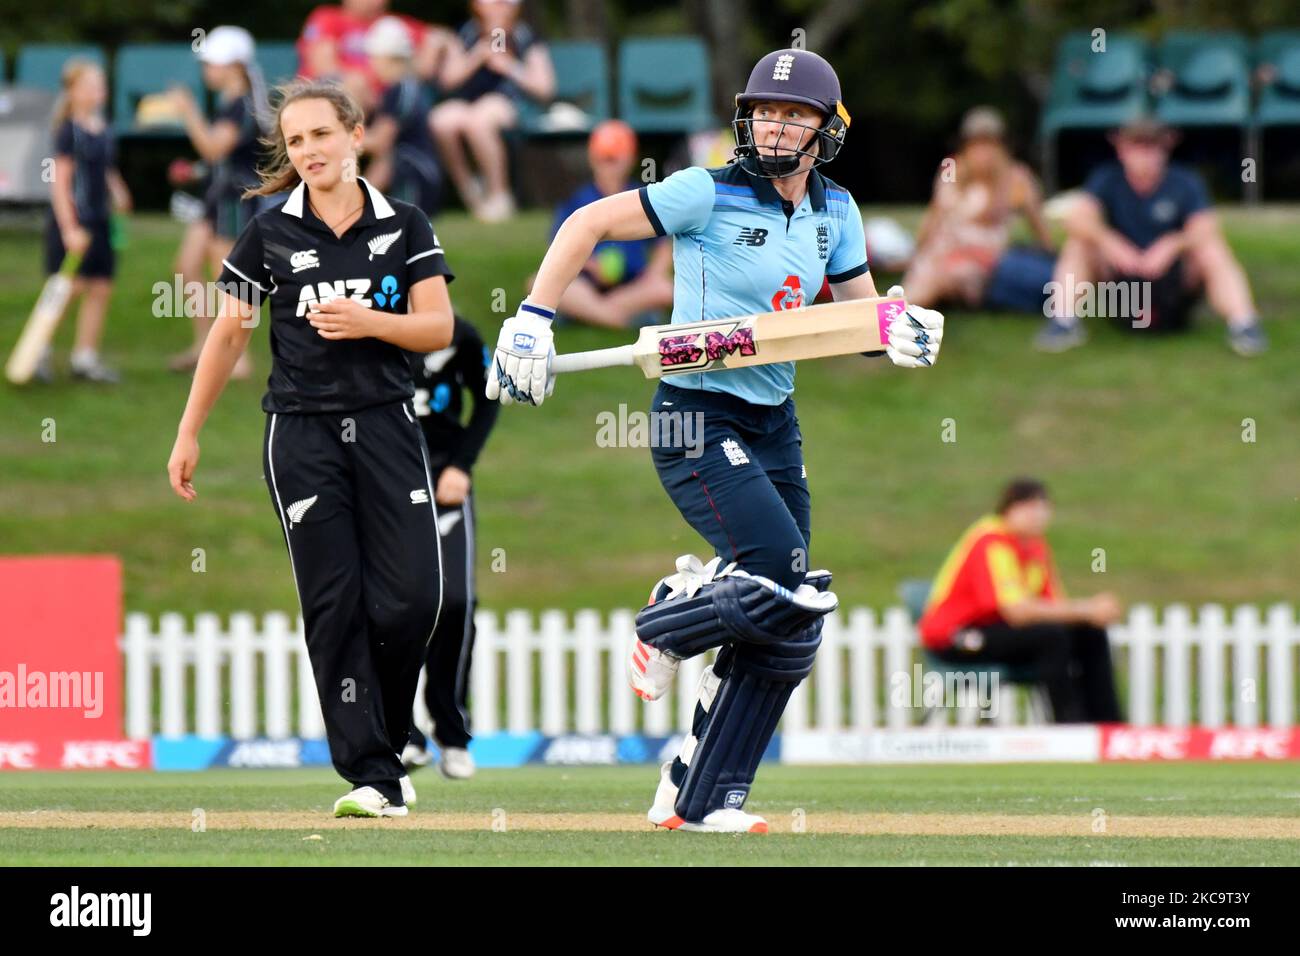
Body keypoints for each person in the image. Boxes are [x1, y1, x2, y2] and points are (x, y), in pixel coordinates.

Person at [486, 49, 945, 833]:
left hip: (773, 420)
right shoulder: (706, 189)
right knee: (772, 573)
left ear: (827, 130)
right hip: (692, 413)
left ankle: (701, 796)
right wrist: (534, 316)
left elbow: (857, 318)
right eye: (765, 111)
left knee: (795, 612)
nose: (773, 125)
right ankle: (666, 621)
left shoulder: (838, 211)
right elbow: (589, 221)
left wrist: (899, 329)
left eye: (793, 115)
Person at [167, 80, 456, 819]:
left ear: (356, 134)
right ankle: (372, 775)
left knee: (415, 598)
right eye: (295, 142)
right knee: (335, 604)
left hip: (390, 424)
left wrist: (368, 322)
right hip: (300, 433)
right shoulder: (268, 232)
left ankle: (391, 732)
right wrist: (188, 430)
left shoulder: (408, 223)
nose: (309, 152)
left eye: (321, 135)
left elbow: (437, 330)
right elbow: (228, 334)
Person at [1036, 116, 1266, 356]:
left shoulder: (1185, 182)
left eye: (1151, 146)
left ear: (1165, 146)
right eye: (1136, 145)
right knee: (1079, 244)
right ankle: (1063, 322)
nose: (1144, 155)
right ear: (1121, 148)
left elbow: (1206, 227)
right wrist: (1110, 242)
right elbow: (1077, 219)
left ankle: (1244, 324)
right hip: (1122, 285)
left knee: (1212, 247)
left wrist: (1172, 244)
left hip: (1172, 284)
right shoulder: (1105, 179)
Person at [918, 478, 1124, 724]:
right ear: (1008, 510)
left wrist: (1088, 615)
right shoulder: (991, 541)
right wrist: (1088, 608)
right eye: (1028, 508)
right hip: (959, 638)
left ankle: (1108, 725)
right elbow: (1016, 611)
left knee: (1089, 632)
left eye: (1042, 507)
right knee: (1051, 636)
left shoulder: (1035, 547)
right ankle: (1069, 725)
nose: (1037, 515)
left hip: (1004, 634)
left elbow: (1053, 605)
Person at [401, 315, 499, 780]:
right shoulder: (367, 322)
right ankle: (401, 731)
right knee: (394, 606)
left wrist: (462, 464)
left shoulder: (459, 333)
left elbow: (487, 397)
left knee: (456, 600)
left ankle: (451, 730)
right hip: (386, 481)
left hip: (444, 480)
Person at [167, 26, 270, 378]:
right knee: (186, 267)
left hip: (233, 200)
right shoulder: (232, 103)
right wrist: (197, 172)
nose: (207, 70)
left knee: (229, 277)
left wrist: (188, 111)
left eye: (214, 63)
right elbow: (222, 158)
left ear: (235, 66)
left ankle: (237, 358)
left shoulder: (240, 106)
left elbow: (214, 147)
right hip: (217, 195)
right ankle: (204, 347)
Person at [902, 107, 1054, 311]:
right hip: (944, 251)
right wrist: (916, 253)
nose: (983, 153)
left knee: (942, 276)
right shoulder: (951, 170)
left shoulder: (1016, 178)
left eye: (989, 144)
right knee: (927, 274)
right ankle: (896, 311)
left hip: (984, 261)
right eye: (977, 145)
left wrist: (1050, 256)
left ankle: (898, 314)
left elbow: (1039, 227)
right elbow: (935, 216)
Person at [530, 120, 673, 329]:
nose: (609, 167)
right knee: (537, 283)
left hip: (632, 286)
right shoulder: (577, 199)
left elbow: (664, 244)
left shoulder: (642, 196)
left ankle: (588, 313)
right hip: (586, 283)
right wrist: (592, 265)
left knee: (665, 289)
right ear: (592, 159)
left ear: (630, 159)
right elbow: (557, 247)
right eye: (604, 159)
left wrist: (655, 273)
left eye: (614, 159)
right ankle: (616, 318)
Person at [41, 59, 132, 384]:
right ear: (73, 92)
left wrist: (117, 189)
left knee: (100, 287)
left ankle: (85, 357)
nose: (98, 92)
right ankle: (41, 350)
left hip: (100, 221)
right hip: (75, 223)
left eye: (101, 85)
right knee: (69, 287)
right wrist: (68, 228)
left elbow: (105, 169)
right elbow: (60, 182)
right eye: (90, 86)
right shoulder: (68, 131)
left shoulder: (103, 128)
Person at [431, 0, 555, 222]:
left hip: (510, 105)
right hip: (468, 103)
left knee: (480, 119)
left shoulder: (524, 36)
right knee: (441, 120)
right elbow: (447, 81)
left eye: (505, 3)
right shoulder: (467, 34)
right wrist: (477, 56)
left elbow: (545, 88)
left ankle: (499, 195)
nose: (499, 8)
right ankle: (469, 189)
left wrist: (509, 66)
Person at [298, 0, 449, 111]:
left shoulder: (391, 24)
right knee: (355, 85)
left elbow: (437, 37)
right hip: (327, 100)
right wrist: (366, 86)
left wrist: (429, 56)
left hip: (384, 107)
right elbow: (325, 68)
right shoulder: (328, 18)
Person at [362, 16, 443, 216]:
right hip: (422, 174)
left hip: (415, 177)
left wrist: (337, 139)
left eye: (373, 57)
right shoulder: (408, 86)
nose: (371, 64)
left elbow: (380, 142)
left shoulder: (399, 90)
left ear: (387, 58)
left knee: (391, 156)